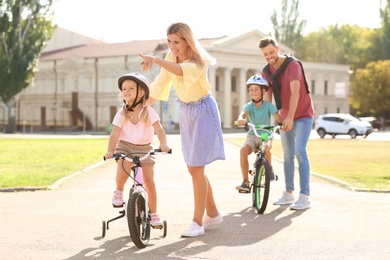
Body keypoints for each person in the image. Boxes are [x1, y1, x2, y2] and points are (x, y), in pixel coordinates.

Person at [139, 22, 225, 237]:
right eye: (169, 42)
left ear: (187, 41)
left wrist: (157, 59)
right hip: (186, 111)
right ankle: (212, 213)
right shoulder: (170, 56)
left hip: (204, 110)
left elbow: (179, 71)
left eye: (176, 42)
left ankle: (198, 222)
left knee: (196, 167)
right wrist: (143, 106)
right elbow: (161, 81)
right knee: (193, 167)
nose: (172, 46)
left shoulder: (199, 61)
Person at [104, 72, 170, 226]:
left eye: (131, 88)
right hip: (125, 147)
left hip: (144, 148)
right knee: (122, 170)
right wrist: (110, 151)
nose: (126, 90)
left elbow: (159, 129)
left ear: (141, 93)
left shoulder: (149, 112)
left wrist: (163, 144)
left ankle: (154, 214)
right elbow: (115, 134)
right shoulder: (122, 113)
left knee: (149, 181)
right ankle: (119, 191)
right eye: (124, 88)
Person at [258, 36, 315, 210]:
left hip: (303, 114)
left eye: (271, 52)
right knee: (287, 155)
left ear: (277, 48)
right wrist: (268, 123)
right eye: (265, 54)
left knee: (300, 151)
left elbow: (296, 94)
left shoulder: (293, 65)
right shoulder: (266, 71)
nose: (269, 56)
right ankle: (288, 193)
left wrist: (290, 117)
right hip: (284, 116)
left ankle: (304, 196)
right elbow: (267, 101)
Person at [236, 75, 283, 193]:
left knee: (266, 148)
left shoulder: (268, 105)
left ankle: (269, 170)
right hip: (252, 135)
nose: (253, 92)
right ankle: (246, 182)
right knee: (243, 151)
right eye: (251, 90)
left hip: (265, 134)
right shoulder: (249, 106)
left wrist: (281, 122)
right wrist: (241, 119)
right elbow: (243, 114)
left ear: (263, 91)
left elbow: (277, 117)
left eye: (256, 89)